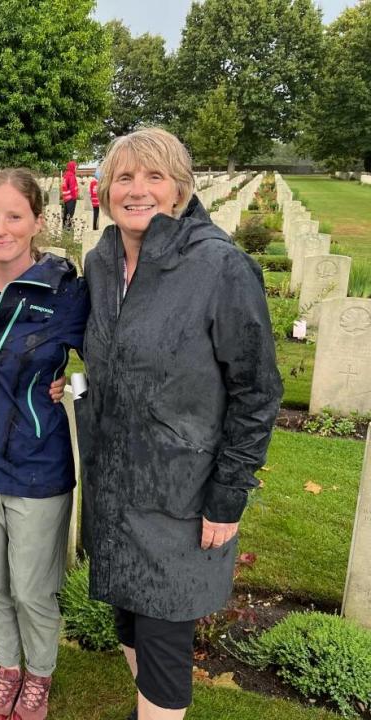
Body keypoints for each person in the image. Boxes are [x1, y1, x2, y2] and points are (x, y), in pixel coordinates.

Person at [79, 127, 282, 720]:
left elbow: (257, 391)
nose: (137, 189)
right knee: (129, 626)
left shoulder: (219, 267)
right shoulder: (102, 260)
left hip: (181, 495)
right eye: (124, 177)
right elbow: (104, 349)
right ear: (105, 189)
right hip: (115, 485)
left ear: (180, 189)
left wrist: (227, 496)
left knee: (164, 642)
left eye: (154, 176)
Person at [0, 169, 89, 720]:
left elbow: (114, 362)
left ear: (37, 220)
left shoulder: (65, 292)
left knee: (33, 589)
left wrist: (71, 389)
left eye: (13, 216)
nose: (0, 228)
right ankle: (8, 669)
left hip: (36, 467)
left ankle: (39, 676)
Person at [60, 160, 79, 229]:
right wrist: (74, 197)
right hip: (71, 198)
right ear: (72, 167)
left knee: (66, 213)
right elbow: (72, 187)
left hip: (66, 198)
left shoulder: (65, 175)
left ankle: (64, 227)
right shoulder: (71, 176)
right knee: (70, 214)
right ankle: (68, 228)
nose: (76, 169)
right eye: (75, 167)